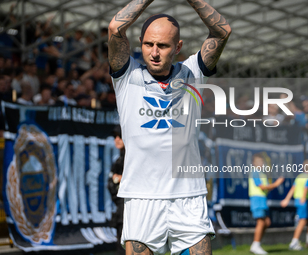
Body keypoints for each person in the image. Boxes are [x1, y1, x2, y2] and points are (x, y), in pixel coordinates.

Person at [108, 0, 231, 255]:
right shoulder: (126, 75)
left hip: (189, 196)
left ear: (178, 47)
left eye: (162, 46)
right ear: (140, 43)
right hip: (142, 197)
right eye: (148, 44)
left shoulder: (192, 73)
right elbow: (115, 29)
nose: (154, 52)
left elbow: (222, 31)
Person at [281, 159, 308, 251]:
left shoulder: (300, 176)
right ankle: (294, 242)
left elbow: (292, 189)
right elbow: (305, 189)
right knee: (302, 221)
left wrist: (286, 200)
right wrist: (301, 198)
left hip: (305, 201)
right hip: (302, 201)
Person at [249, 153, 284, 254]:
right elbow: (262, 187)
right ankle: (256, 245)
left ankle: (256, 244)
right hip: (257, 200)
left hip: (262, 200)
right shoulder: (255, 172)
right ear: (253, 163)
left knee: (267, 222)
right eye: (258, 162)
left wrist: (274, 185)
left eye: (262, 162)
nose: (260, 164)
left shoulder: (262, 174)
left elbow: (266, 189)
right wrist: (276, 183)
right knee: (260, 222)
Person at [108, 125, 125, 255]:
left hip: (132, 209)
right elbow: (110, 184)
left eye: (120, 136)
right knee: (120, 244)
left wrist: (122, 179)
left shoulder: (132, 160)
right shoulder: (118, 161)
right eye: (115, 137)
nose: (117, 139)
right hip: (120, 208)